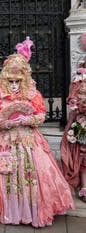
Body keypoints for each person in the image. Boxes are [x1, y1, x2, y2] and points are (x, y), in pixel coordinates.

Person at [0, 37, 74, 227]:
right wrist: (5, 123)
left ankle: (30, 210)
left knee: (30, 173)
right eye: (11, 81)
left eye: (18, 81)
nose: (15, 85)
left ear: (24, 79)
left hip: (28, 141)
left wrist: (27, 119)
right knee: (2, 172)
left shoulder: (32, 95)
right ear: (5, 78)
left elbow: (41, 115)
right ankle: (7, 209)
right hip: (2, 141)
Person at [60, 58, 86, 202]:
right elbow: (72, 99)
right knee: (83, 153)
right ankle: (84, 186)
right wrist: (78, 106)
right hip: (82, 120)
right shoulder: (79, 77)